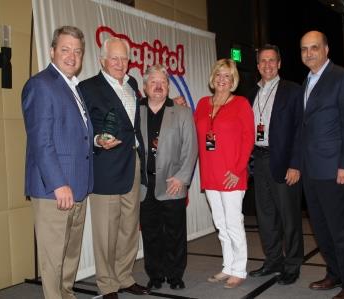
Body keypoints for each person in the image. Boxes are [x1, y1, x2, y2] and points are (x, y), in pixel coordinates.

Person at [21, 26, 93, 299]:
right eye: (65, 49)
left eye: (77, 51)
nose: (72, 56)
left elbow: (75, 134)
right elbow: (41, 141)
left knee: (70, 255)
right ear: (52, 51)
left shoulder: (72, 86)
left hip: (77, 187)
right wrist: (59, 183)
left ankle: (67, 295)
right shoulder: (41, 84)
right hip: (55, 189)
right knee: (53, 260)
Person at [78, 37, 149, 299]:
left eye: (124, 58)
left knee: (129, 227)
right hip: (106, 167)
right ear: (102, 60)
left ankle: (124, 277)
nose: (120, 64)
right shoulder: (88, 88)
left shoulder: (131, 83)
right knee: (106, 231)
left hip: (133, 164)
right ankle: (107, 284)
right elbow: (82, 127)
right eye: (114, 58)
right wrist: (97, 140)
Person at [300, 31, 344, 299]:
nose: (308, 53)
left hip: (338, 170)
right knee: (323, 229)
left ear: (326, 49)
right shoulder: (307, 81)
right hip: (312, 171)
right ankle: (336, 273)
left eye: (314, 47)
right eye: (304, 49)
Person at [194, 58, 255, 289]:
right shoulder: (202, 104)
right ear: (213, 77)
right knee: (220, 223)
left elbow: (249, 138)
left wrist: (238, 170)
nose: (222, 80)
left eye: (227, 76)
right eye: (219, 74)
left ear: (233, 80)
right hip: (210, 173)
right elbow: (195, 132)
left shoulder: (240, 103)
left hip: (232, 174)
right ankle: (228, 266)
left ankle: (239, 269)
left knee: (233, 223)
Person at [247, 44, 304, 285]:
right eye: (263, 61)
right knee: (266, 215)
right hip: (258, 160)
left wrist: (296, 164)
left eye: (272, 61)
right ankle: (273, 261)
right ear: (258, 65)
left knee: (289, 216)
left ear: (279, 64)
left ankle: (292, 264)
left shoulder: (293, 90)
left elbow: (302, 130)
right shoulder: (252, 94)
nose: (267, 65)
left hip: (283, 161)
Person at [139, 64, 198, 290]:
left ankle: (175, 274)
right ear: (145, 87)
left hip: (173, 183)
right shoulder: (136, 110)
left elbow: (190, 148)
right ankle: (155, 274)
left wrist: (182, 178)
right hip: (145, 184)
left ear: (168, 87)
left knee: (175, 233)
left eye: (162, 82)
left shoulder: (181, 111)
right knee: (151, 233)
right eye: (153, 82)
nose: (158, 86)